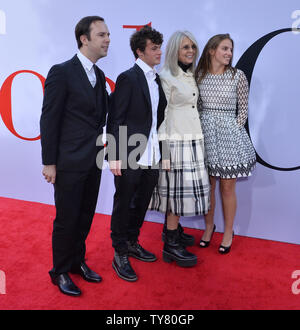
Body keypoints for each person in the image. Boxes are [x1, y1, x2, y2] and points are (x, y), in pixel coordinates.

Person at [40, 16, 110, 296]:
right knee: (67, 218)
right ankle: (58, 271)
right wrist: (49, 162)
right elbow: (49, 119)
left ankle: (76, 262)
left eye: (108, 35)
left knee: (85, 216)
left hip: (92, 160)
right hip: (67, 162)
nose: (107, 40)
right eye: (102, 34)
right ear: (84, 38)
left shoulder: (100, 75)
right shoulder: (61, 72)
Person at [106, 26, 167, 282]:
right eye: (154, 48)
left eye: (159, 47)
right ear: (139, 52)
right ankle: (119, 251)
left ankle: (132, 241)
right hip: (130, 152)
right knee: (125, 201)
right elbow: (116, 116)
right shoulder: (128, 78)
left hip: (152, 151)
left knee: (142, 201)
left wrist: (161, 151)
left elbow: (157, 119)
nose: (159, 52)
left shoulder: (158, 79)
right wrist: (115, 154)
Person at [149, 31, 210, 267]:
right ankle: (171, 245)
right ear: (175, 50)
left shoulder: (191, 74)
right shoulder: (165, 77)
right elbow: (160, 115)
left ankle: (170, 230)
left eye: (193, 46)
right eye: (185, 47)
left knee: (181, 191)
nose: (191, 51)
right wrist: (164, 149)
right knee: (175, 193)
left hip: (192, 137)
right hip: (175, 141)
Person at [195, 34, 256, 254]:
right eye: (225, 49)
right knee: (208, 186)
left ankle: (228, 232)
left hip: (229, 135)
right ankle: (209, 227)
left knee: (228, 186)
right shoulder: (199, 75)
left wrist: (234, 129)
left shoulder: (237, 76)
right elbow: (198, 106)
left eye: (231, 49)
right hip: (205, 134)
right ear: (212, 50)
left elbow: (243, 110)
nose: (229, 53)